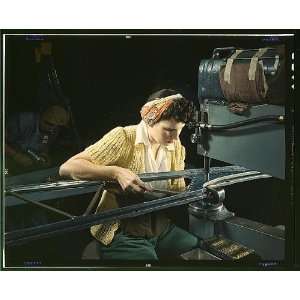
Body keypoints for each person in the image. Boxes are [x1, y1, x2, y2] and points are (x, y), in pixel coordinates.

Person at [59, 89, 199, 260]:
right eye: (168, 130)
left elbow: (177, 192)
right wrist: (115, 172)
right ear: (150, 119)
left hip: (159, 227)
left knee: (196, 249)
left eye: (180, 129)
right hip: (122, 229)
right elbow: (68, 167)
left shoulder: (176, 146)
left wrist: (199, 190)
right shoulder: (124, 138)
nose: (176, 137)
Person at [5, 105, 70, 175]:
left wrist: (43, 156)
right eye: (50, 124)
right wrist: (15, 155)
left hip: (27, 160)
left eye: (58, 126)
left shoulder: (53, 130)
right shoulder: (23, 120)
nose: (52, 129)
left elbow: (44, 143)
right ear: (41, 117)